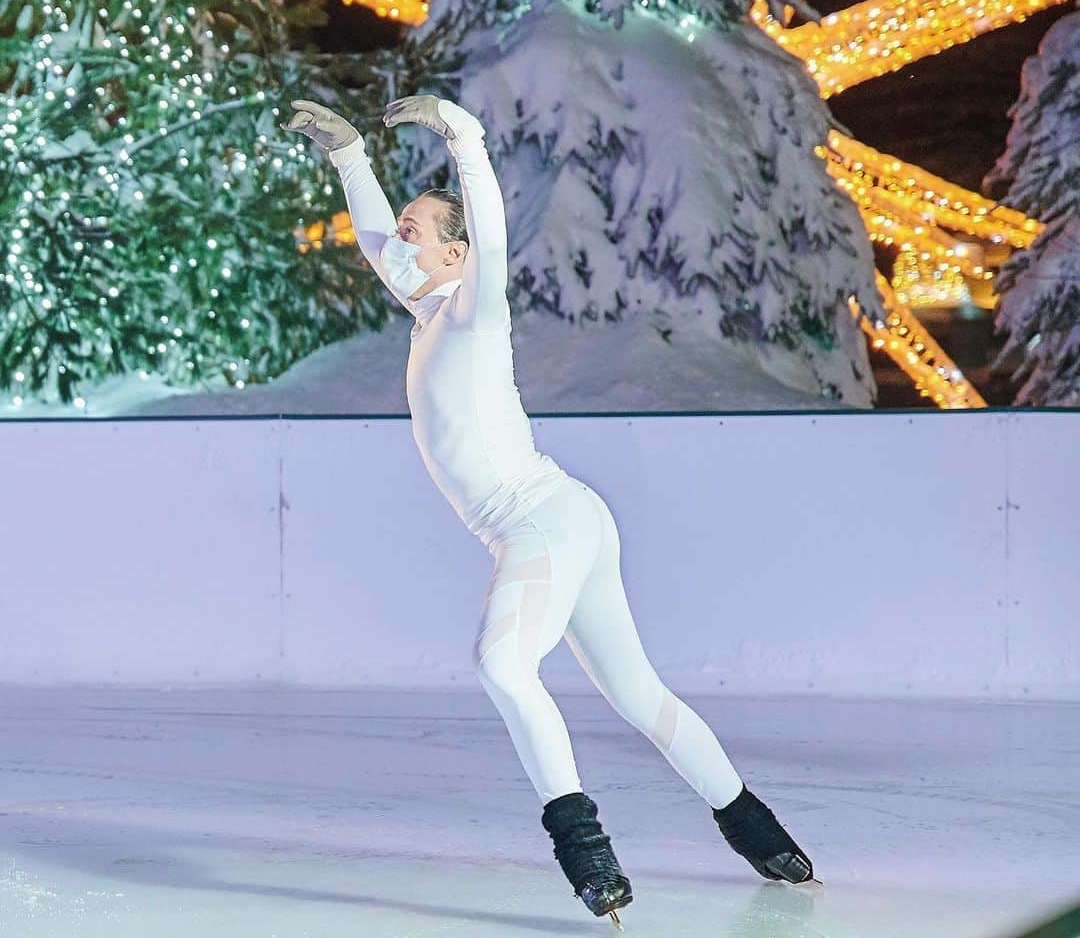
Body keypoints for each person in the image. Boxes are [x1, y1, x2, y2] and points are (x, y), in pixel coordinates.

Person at [281, 95, 819, 927]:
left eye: (416, 233)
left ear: (454, 254)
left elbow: (489, 237)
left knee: (504, 664)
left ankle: (586, 850)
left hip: (542, 522)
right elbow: (376, 242)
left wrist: (463, 138)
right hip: (564, 521)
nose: (399, 243)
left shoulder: (470, 310)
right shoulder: (429, 311)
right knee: (639, 696)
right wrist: (352, 157)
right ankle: (763, 836)